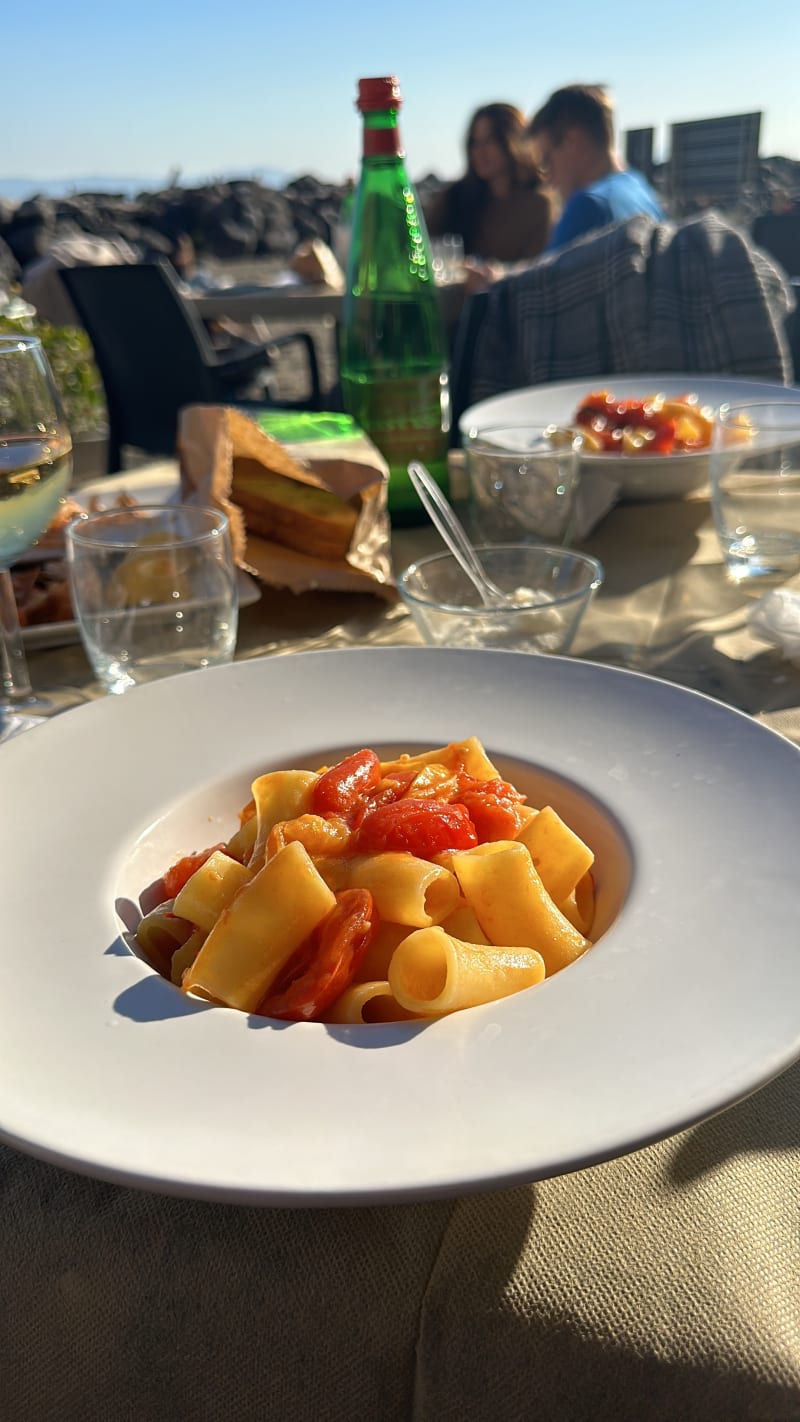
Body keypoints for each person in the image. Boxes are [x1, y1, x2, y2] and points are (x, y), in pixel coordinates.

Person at [527, 84, 664, 251]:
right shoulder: (639, 188)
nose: (547, 179)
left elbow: (545, 276)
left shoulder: (589, 205)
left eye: (546, 162)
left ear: (572, 142)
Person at [425, 103, 552, 266]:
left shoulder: (538, 205)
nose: (480, 151)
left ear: (513, 141)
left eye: (490, 141)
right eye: (475, 143)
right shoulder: (455, 198)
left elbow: (538, 269)